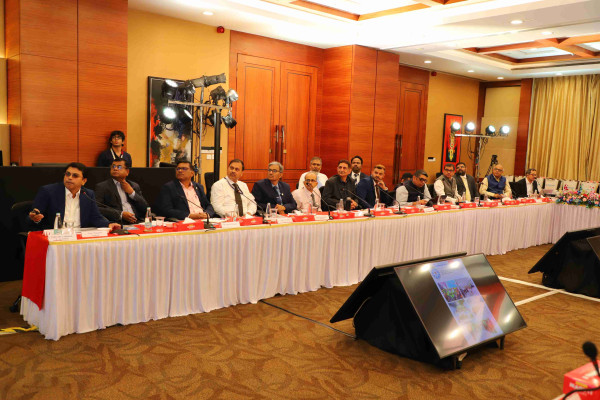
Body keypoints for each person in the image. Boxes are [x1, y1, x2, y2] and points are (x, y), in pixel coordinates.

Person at [28, 162, 119, 231]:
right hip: (56, 236)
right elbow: (35, 215)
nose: (70, 178)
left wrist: (108, 224)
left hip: (79, 236)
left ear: (83, 181)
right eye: (68, 174)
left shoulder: (87, 194)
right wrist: (35, 218)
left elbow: (95, 217)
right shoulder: (48, 191)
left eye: (75, 176)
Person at [94, 158, 149, 224]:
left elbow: (145, 208)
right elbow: (97, 208)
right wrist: (121, 214)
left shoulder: (134, 185)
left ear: (127, 172)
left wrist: (132, 193)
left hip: (137, 222)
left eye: (119, 167)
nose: (115, 169)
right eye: (113, 166)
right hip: (118, 223)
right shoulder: (102, 187)